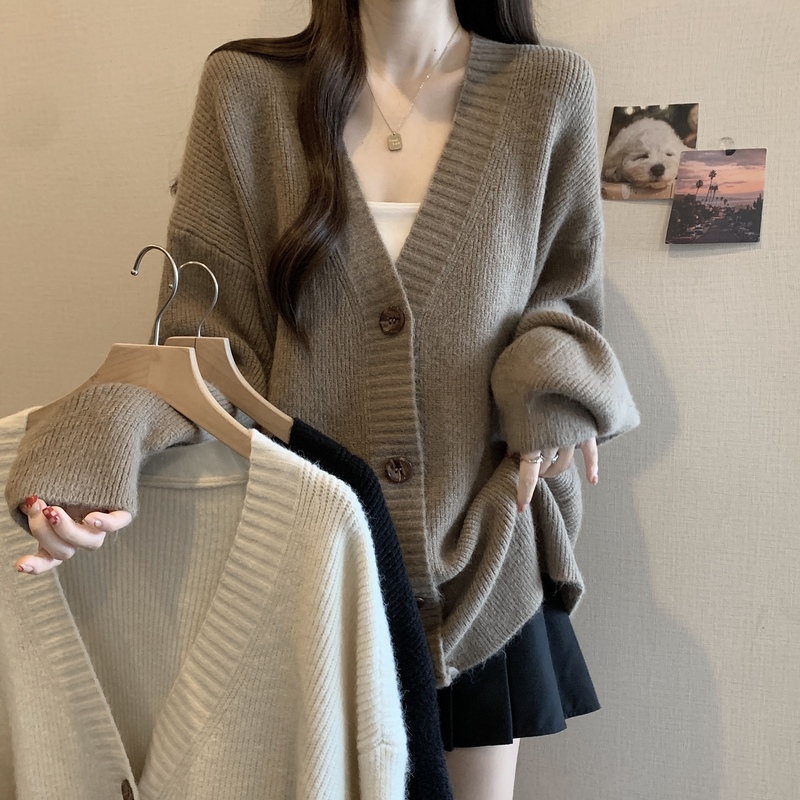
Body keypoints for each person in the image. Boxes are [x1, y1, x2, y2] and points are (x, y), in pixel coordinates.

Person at [8, 1, 639, 797]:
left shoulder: (547, 88)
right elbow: (204, 349)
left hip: (485, 560)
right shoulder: (246, 90)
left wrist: (551, 390)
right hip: (307, 570)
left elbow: (565, 296)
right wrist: (98, 442)